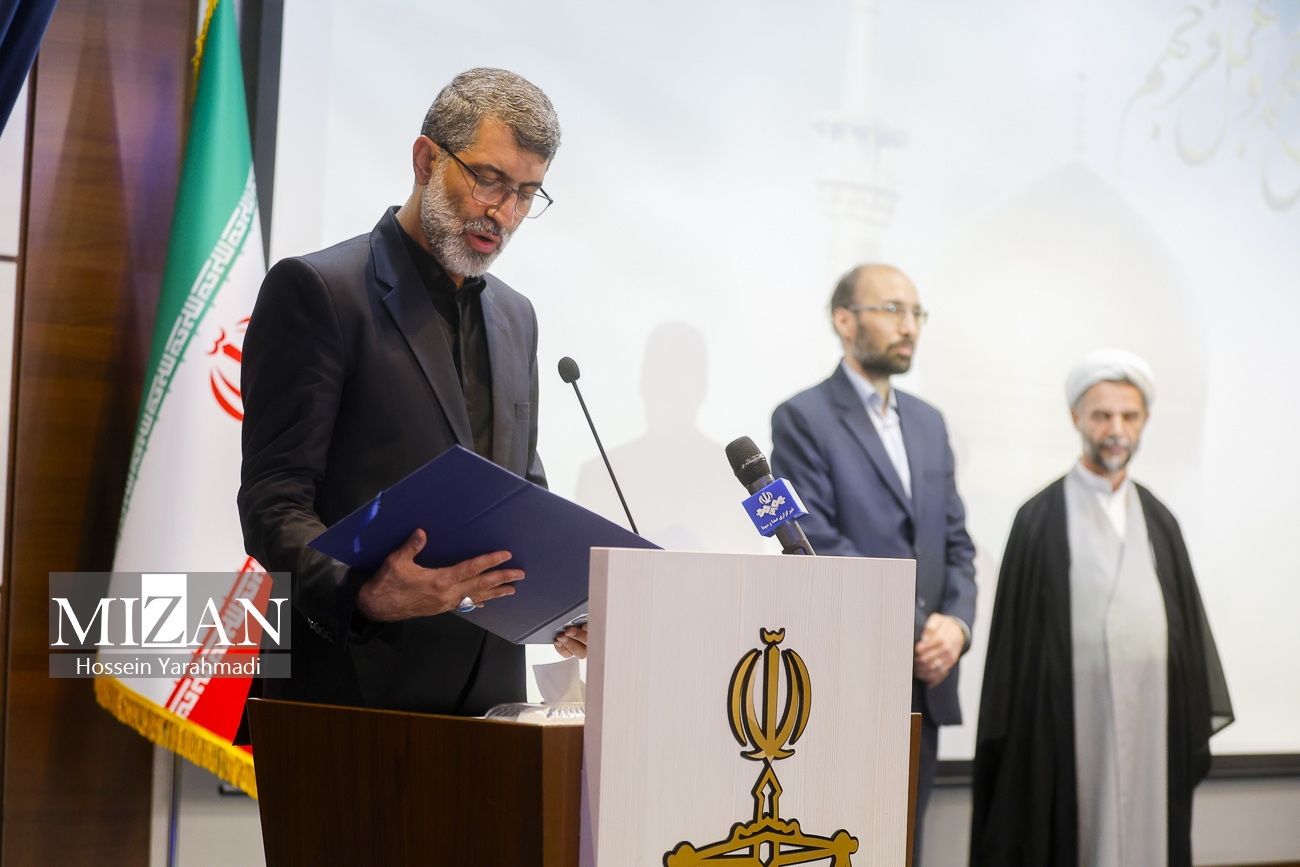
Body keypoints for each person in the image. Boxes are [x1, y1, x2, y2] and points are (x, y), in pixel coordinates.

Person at [238, 68, 587, 717]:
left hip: (492, 703)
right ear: (427, 160)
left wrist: (565, 603)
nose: (504, 214)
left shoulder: (518, 317)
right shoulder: (319, 292)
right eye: (489, 180)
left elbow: (519, 492)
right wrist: (363, 593)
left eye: (525, 193)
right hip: (349, 695)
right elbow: (272, 503)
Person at [970, 349, 1233, 867]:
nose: (1116, 429)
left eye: (1129, 416)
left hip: (1152, 729)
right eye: (1102, 415)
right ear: (1077, 418)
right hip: (1064, 739)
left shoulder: (1161, 522)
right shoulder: (1037, 520)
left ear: (1145, 420)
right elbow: (1012, 666)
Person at [770, 264, 977, 867]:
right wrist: (917, 628)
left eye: (916, 313)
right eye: (892, 310)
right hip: (849, 671)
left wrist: (956, 627)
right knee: (843, 845)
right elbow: (811, 540)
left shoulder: (929, 422)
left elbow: (957, 544)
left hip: (925, 681)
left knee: (906, 845)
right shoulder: (802, 417)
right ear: (845, 320)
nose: (909, 326)